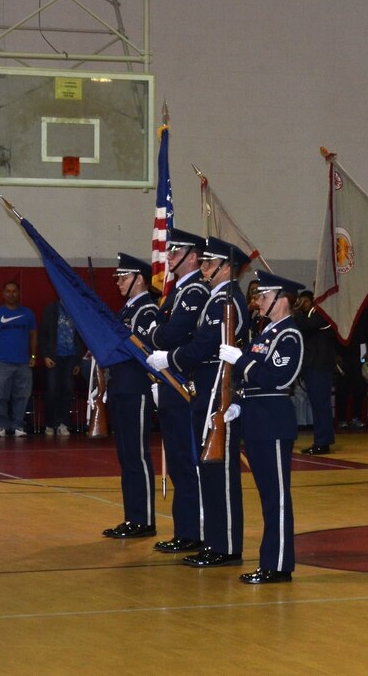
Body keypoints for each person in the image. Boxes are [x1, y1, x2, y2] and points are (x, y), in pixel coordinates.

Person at [149, 237, 250, 567]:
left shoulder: (228, 300)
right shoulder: (219, 299)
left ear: (226, 266)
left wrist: (171, 359)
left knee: (220, 471)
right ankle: (215, 541)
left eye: (209, 263)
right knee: (210, 469)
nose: (203, 268)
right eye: (203, 263)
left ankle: (226, 545)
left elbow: (204, 344)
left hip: (218, 388)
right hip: (206, 387)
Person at [219, 270, 305, 584]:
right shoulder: (266, 332)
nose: (259, 302)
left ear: (283, 300)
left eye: (265, 297)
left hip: (273, 421)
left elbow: (275, 378)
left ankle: (279, 565)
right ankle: (270, 560)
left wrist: (241, 360)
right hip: (256, 419)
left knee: (276, 497)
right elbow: (252, 380)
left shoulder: (289, 335)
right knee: (267, 496)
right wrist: (239, 402)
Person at [147, 229, 210, 555]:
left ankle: (194, 530)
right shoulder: (177, 292)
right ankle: (184, 529)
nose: (168, 257)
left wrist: (157, 336)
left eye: (175, 252)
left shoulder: (195, 290)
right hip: (170, 383)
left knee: (187, 461)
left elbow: (171, 333)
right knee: (177, 461)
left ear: (193, 256)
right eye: (169, 251)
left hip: (185, 384)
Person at [101, 254, 160, 539]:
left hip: (137, 387)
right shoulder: (126, 310)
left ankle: (145, 519)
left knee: (137, 453)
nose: (119, 283)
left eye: (123, 278)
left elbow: (142, 349)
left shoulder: (147, 310)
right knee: (126, 455)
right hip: (120, 387)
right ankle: (132, 516)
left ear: (139, 279)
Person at [0, 281, 37, 437]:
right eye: (8, 291)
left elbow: (33, 335)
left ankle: (18, 425)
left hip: (23, 362)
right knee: (0, 396)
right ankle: (1, 425)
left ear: (18, 293)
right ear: (3, 293)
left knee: (22, 396)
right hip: (1, 362)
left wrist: (33, 356)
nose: (11, 294)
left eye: (14, 291)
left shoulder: (28, 313)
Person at [296, 290, 338, 455]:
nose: (303, 304)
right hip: (313, 364)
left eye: (306, 301)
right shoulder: (311, 314)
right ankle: (323, 439)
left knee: (321, 405)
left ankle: (322, 441)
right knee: (319, 405)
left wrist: (295, 311)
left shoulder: (322, 313)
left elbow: (307, 326)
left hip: (320, 365)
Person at [39, 299, 83, 436]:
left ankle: (64, 423)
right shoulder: (51, 309)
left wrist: (78, 361)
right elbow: (43, 335)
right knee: (52, 390)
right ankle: (50, 423)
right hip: (54, 356)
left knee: (68, 389)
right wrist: (45, 355)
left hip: (70, 356)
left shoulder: (77, 310)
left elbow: (81, 336)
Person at [334, 309, 368, 429]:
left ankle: (356, 417)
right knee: (342, 388)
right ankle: (342, 419)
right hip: (342, 354)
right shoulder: (340, 310)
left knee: (359, 387)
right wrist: (336, 354)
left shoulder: (363, 311)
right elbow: (334, 332)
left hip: (359, 353)